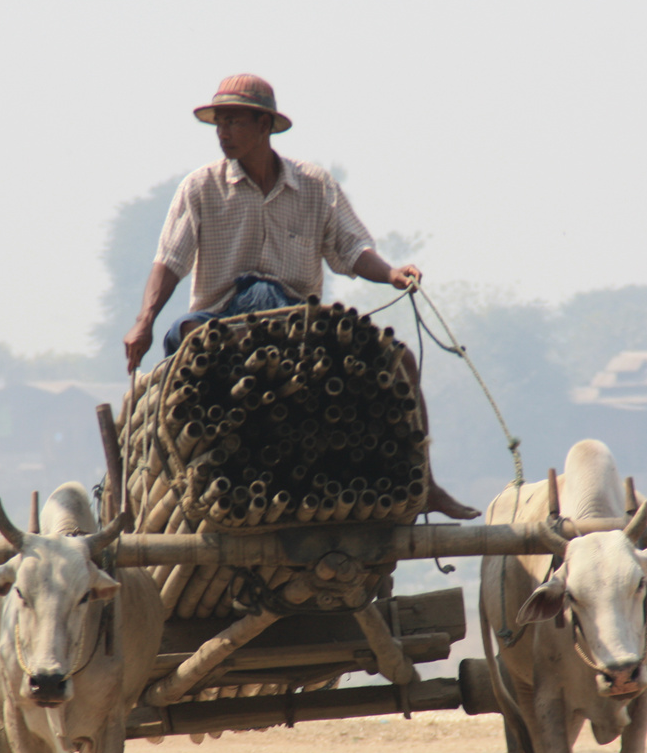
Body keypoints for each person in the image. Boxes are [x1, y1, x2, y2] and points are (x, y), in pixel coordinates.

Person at [121, 73, 479, 520]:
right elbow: (170, 260)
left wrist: (391, 273)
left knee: (399, 361)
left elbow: (351, 248)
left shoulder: (314, 185)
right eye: (219, 123)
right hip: (222, 322)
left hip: (299, 322)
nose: (223, 133)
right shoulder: (200, 187)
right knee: (189, 331)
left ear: (265, 126)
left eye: (234, 122)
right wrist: (145, 319)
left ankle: (425, 482)